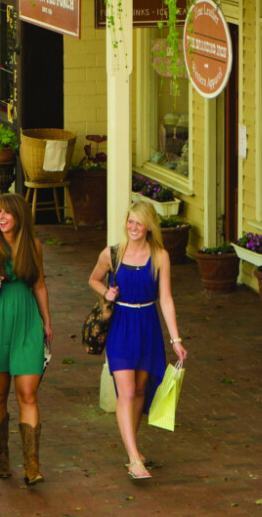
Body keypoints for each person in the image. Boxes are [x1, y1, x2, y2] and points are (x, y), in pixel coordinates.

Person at [88, 201, 186, 480]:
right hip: (121, 325)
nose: (133, 227)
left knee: (141, 391)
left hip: (148, 325)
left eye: (138, 223)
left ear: (149, 226)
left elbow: (165, 299)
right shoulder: (112, 254)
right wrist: (105, 292)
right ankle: (133, 458)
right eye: (130, 221)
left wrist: (175, 338)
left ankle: (133, 448)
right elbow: (94, 279)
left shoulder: (160, 256)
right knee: (127, 392)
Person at [0, 193, 54, 486]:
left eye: (7, 213)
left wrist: (47, 322)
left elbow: (39, 284)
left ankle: (32, 465)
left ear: (20, 216)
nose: (1, 217)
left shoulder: (33, 246)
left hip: (27, 321)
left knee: (28, 393)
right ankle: (2, 455)